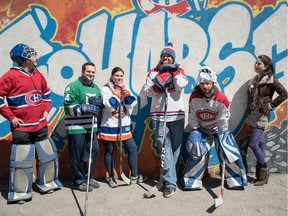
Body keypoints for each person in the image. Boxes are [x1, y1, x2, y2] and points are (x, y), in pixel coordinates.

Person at [0, 43, 62, 204]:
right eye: (31, 54)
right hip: (22, 128)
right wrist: (11, 117)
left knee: (47, 155)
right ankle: (21, 192)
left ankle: (47, 183)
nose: (36, 57)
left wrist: (46, 109)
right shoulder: (9, 76)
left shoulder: (37, 74)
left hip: (40, 125)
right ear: (23, 58)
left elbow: (46, 93)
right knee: (22, 160)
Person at [182, 66, 247, 190]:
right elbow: (192, 114)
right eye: (202, 83)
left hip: (218, 129)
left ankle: (236, 181)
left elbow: (223, 118)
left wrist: (222, 135)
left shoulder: (221, 98)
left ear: (213, 83)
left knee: (229, 152)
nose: (205, 86)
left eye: (207, 83)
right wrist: (195, 129)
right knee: (196, 152)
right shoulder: (194, 96)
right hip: (201, 130)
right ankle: (192, 181)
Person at [143, 43, 188, 198]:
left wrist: (174, 72)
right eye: (164, 56)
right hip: (159, 115)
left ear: (173, 58)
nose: (166, 58)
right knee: (164, 147)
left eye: (169, 56)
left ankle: (170, 179)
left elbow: (182, 85)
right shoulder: (153, 72)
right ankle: (170, 183)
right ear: (161, 58)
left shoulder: (179, 70)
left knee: (175, 150)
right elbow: (148, 92)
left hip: (177, 116)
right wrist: (157, 85)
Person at [99, 67, 147, 188]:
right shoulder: (105, 89)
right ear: (112, 76)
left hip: (124, 125)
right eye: (117, 76)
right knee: (109, 151)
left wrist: (125, 91)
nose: (119, 78)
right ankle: (111, 177)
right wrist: (116, 92)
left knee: (132, 148)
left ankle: (134, 175)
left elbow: (131, 104)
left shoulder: (123, 88)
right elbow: (111, 106)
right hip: (109, 125)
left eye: (121, 76)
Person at [245, 55, 287, 186]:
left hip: (262, 114)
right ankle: (261, 176)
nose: (256, 65)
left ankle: (263, 169)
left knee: (253, 143)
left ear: (266, 67)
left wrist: (271, 104)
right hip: (252, 114)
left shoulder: (271, 80)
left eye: (259, 64)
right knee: (261, 143)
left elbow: (284, 93)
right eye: (256, 63)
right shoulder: (254, 79)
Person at [64, 62, 102, 192]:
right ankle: (79, 180)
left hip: (91, 127)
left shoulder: (96, 88)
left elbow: (98, 108)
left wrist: (99, 105)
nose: (91, 74)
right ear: (82, 72)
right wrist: (83, 108)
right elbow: (68, 107)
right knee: (77, 155)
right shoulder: (73, 86)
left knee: (94, 151)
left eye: (93, 72)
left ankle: (88, 177)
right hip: (76, 127)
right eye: (88, 72)